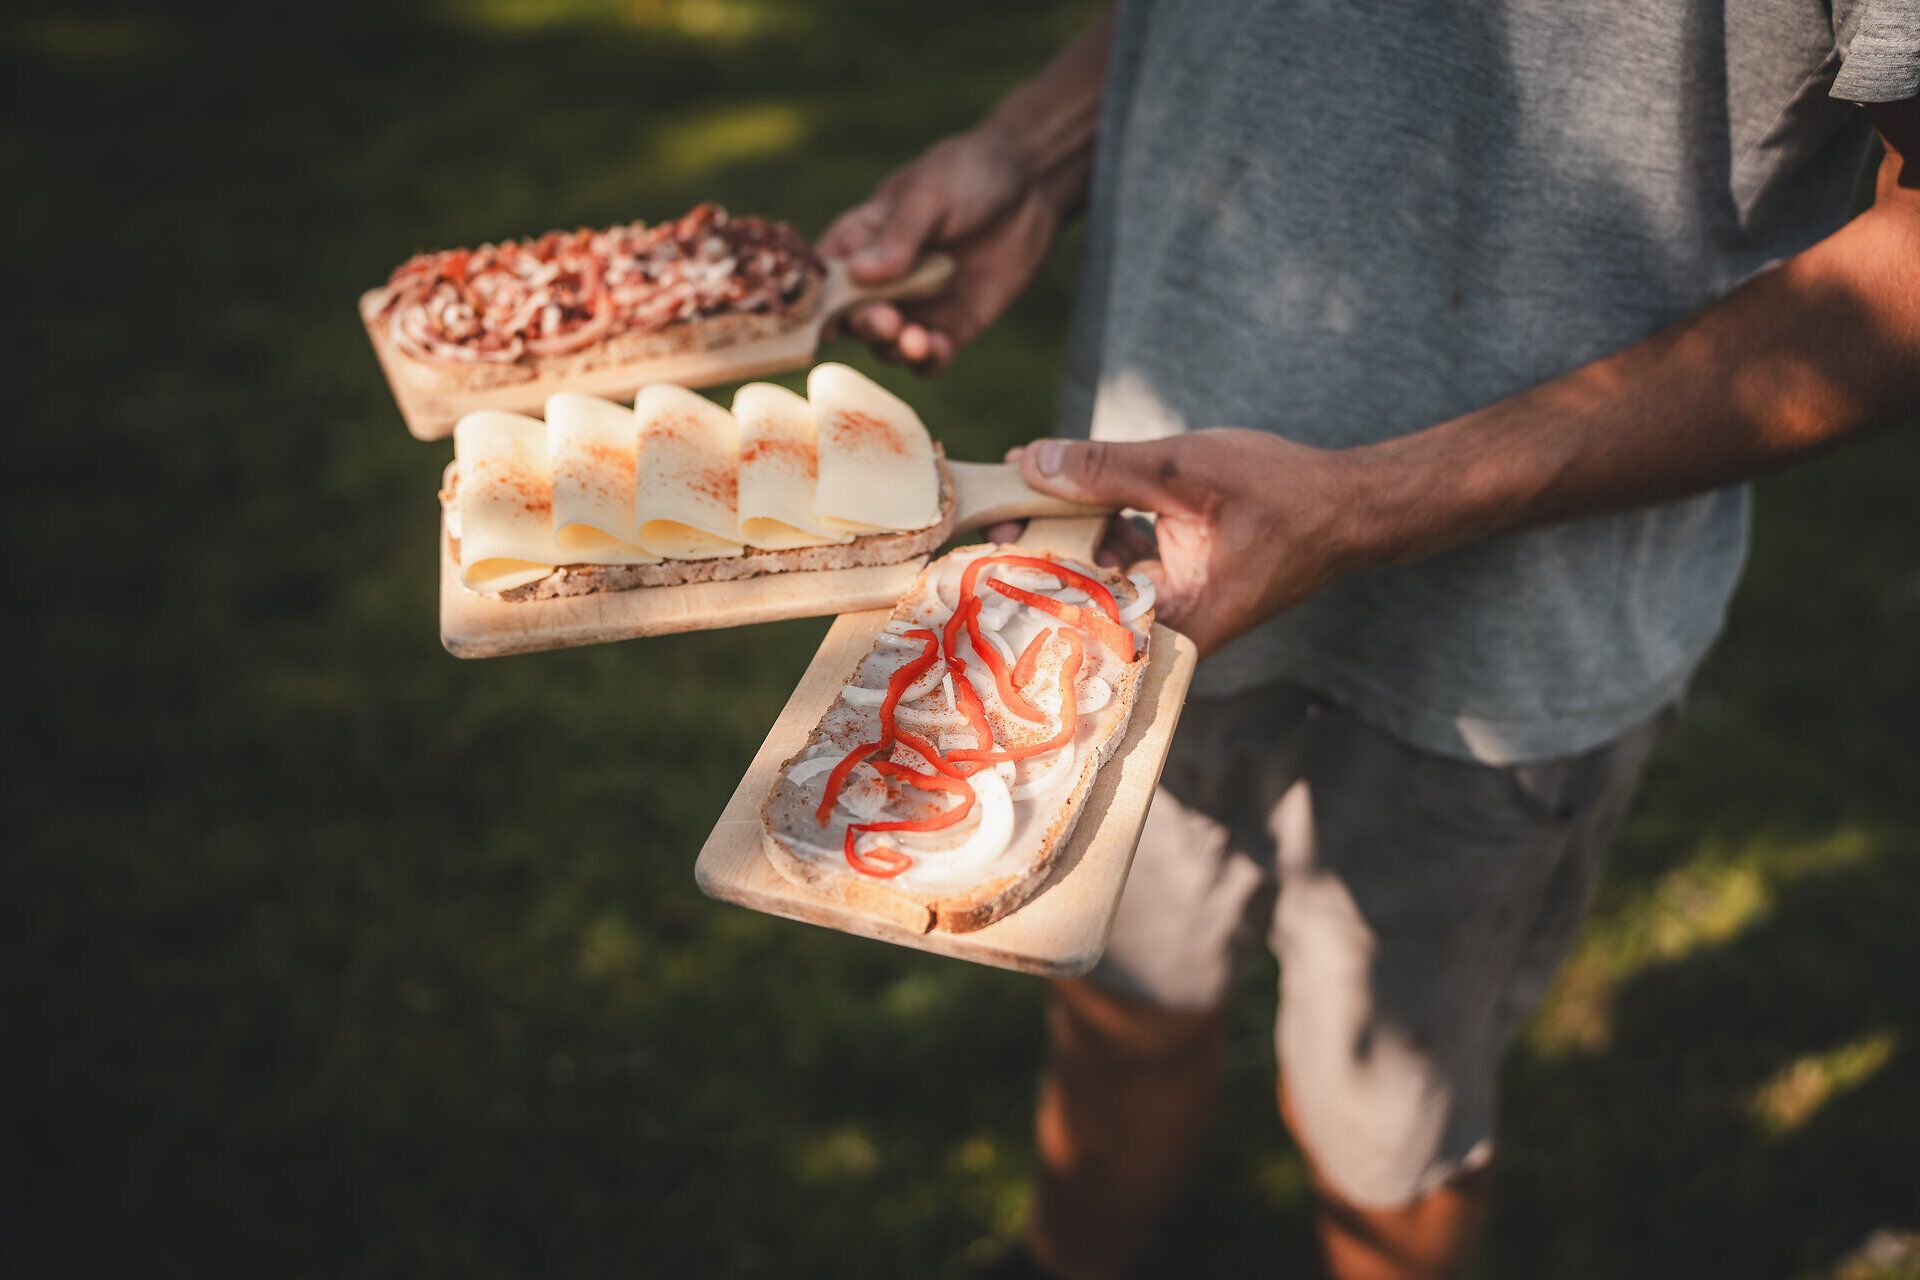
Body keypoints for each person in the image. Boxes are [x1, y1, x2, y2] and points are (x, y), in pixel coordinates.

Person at [819, 4, 1920, 1278]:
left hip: (1503, 646)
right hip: (1130, 575)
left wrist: (1378, 502)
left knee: (1383, 1128)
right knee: (1120, 1001)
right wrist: (1032, 146)